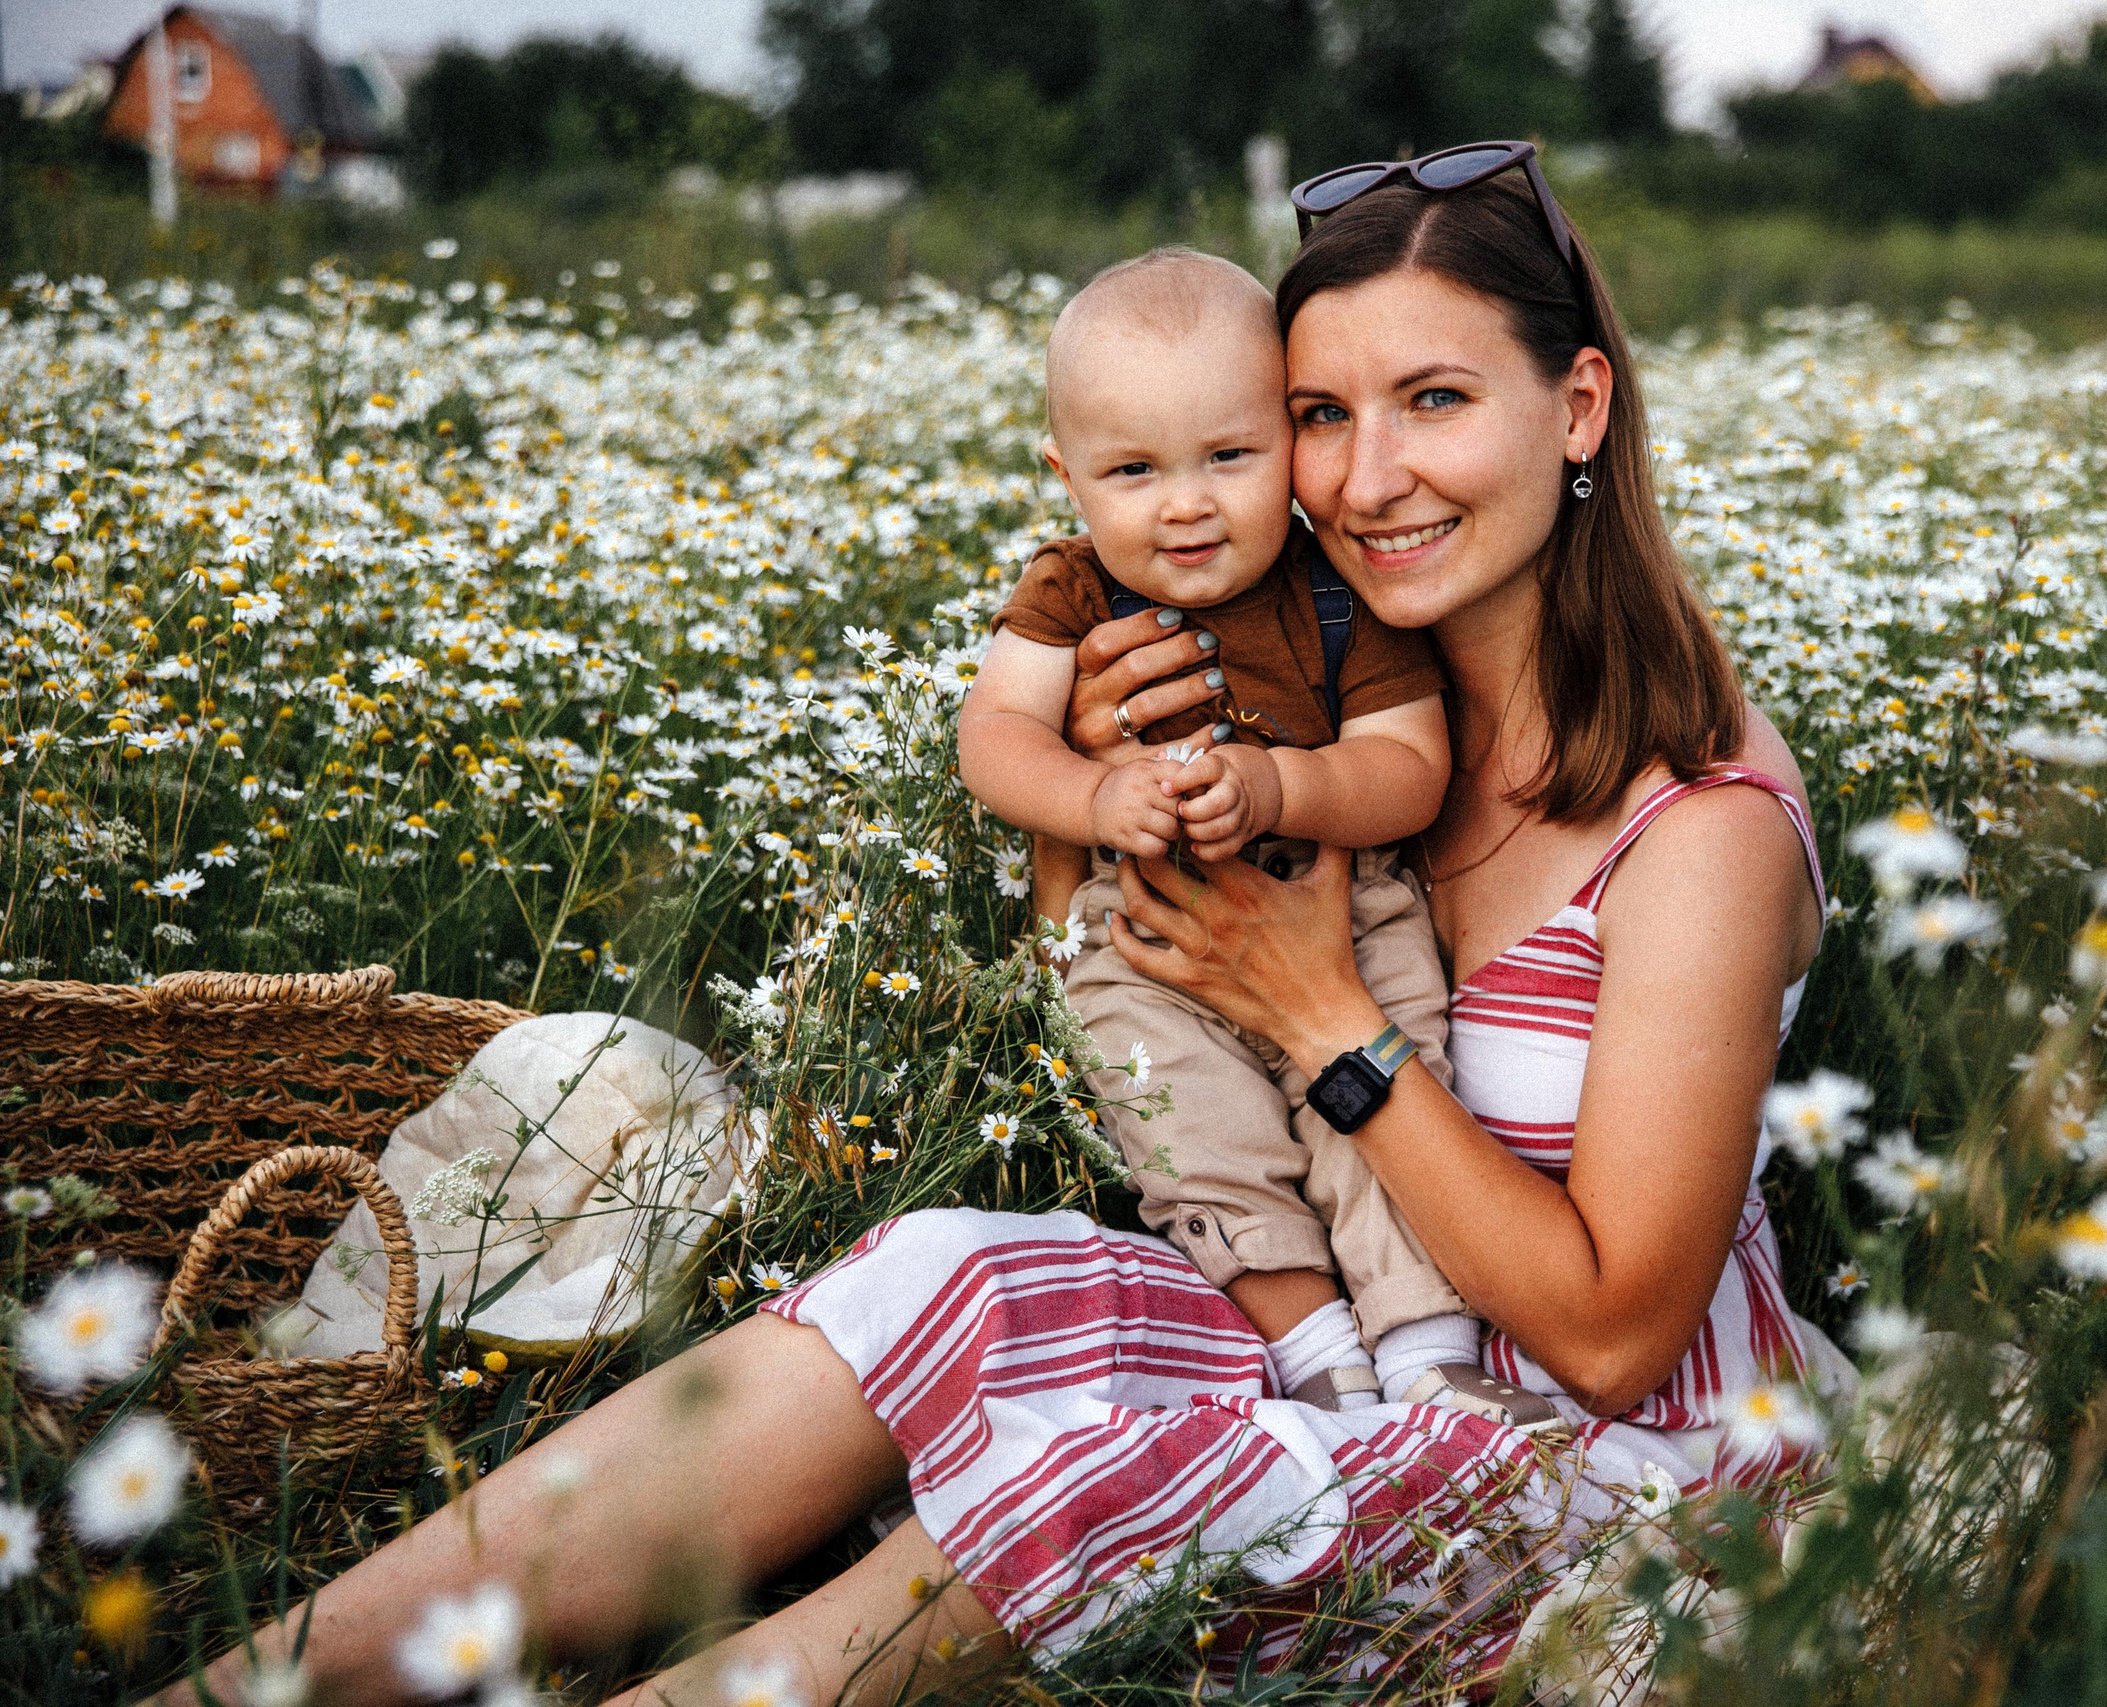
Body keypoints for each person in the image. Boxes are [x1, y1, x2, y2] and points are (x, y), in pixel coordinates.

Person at [164, 147, 1836, 1707]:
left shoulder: (1696, 825)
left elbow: (1616, 1337)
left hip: (1614, 1450)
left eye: (1438, 400)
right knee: (933, 1276)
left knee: (1126, 1488)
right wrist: (1109, 783)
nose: (1367, 474)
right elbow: (1092, 952)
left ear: (1579, 404)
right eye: (1318, 413)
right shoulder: (1298, 700)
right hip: (1340, 1336)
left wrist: (1331, 1024)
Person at [957, 244, 1550, 1428]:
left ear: (1285, 445)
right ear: (1064, 475)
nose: (1186, 503)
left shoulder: (1331, 589)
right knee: (1193, 1136)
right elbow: (993, 736)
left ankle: (1429, 1350)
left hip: (1345, 909)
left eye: (1229, 456)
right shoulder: (1070, 593)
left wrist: (1278, 787)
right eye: (1133, 469)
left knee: (1384, 1106)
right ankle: (1312, 1352)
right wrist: (1087, 802)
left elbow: (1408, 772)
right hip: (1145, 940)